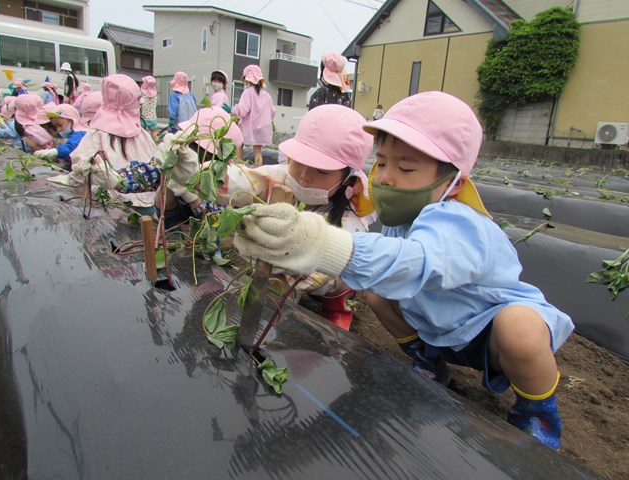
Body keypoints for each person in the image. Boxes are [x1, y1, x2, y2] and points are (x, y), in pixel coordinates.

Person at [232, 91, 574, 450]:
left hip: (488, 336)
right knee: (379, 297)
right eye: (381, 163)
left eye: (406, 168)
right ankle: (428, 361)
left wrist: (320, 244)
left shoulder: (461, 223)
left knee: (520, 327)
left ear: (455, 182)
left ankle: (537, 413)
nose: (387, 178)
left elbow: (417, 262)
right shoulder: (405, 221)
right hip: (438, 330)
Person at [167, 104, 376, 330]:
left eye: (321, 171)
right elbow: (242, 180)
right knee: (273, 293)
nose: (304, 176)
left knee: (338, 284)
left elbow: (336, 264)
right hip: (282, 268)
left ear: (348, 176)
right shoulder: (281, 178)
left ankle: (337, 308)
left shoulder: (350, 218)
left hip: (322, 275)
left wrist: (288, 267)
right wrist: (195, 172)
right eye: (298, 162)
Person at [48, 74, 159, 214]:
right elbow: (156, 165)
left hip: (110, 205)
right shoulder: (142, 134)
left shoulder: (96, 134)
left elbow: (81, 166)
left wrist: (71, 179)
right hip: (147, 201)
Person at [232, 64, 275, 166]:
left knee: (239, 144)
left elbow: (243, 110)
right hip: (263, 128)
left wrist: (233, 110)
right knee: (258, 152)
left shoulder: (248, 93)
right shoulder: (267, 95)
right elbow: (272, 111)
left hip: (249, 127)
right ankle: (257, 171)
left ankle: (240, 168)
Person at [33, 104, 88, 168]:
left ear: (72, 121)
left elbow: (69, 148)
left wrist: (55, 152)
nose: (58, 129)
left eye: (60, 125)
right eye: (56, 127)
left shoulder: (81, 133)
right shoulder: (72, 135)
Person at [140, 75, 158, 141]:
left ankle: (144, 144)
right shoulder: (155, 95)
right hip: (153, 117)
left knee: (142, 133)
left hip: (143, 118)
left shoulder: (142, 94)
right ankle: (155, 142)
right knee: (153, 132)